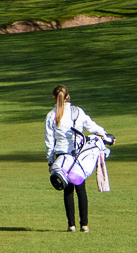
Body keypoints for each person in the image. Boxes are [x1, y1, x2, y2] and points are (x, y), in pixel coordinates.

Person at [44, 84, 105, 233]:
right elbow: (92, 126)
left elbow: (49, 142)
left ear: (53, 97)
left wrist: (50, 161)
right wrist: (104, 134)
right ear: (67, 97)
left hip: (61, 157)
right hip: (78, 156)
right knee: (81, 189)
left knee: (68, 191)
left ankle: (71, 225)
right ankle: (84, 225)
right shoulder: (78, 112)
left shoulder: (51, 116)